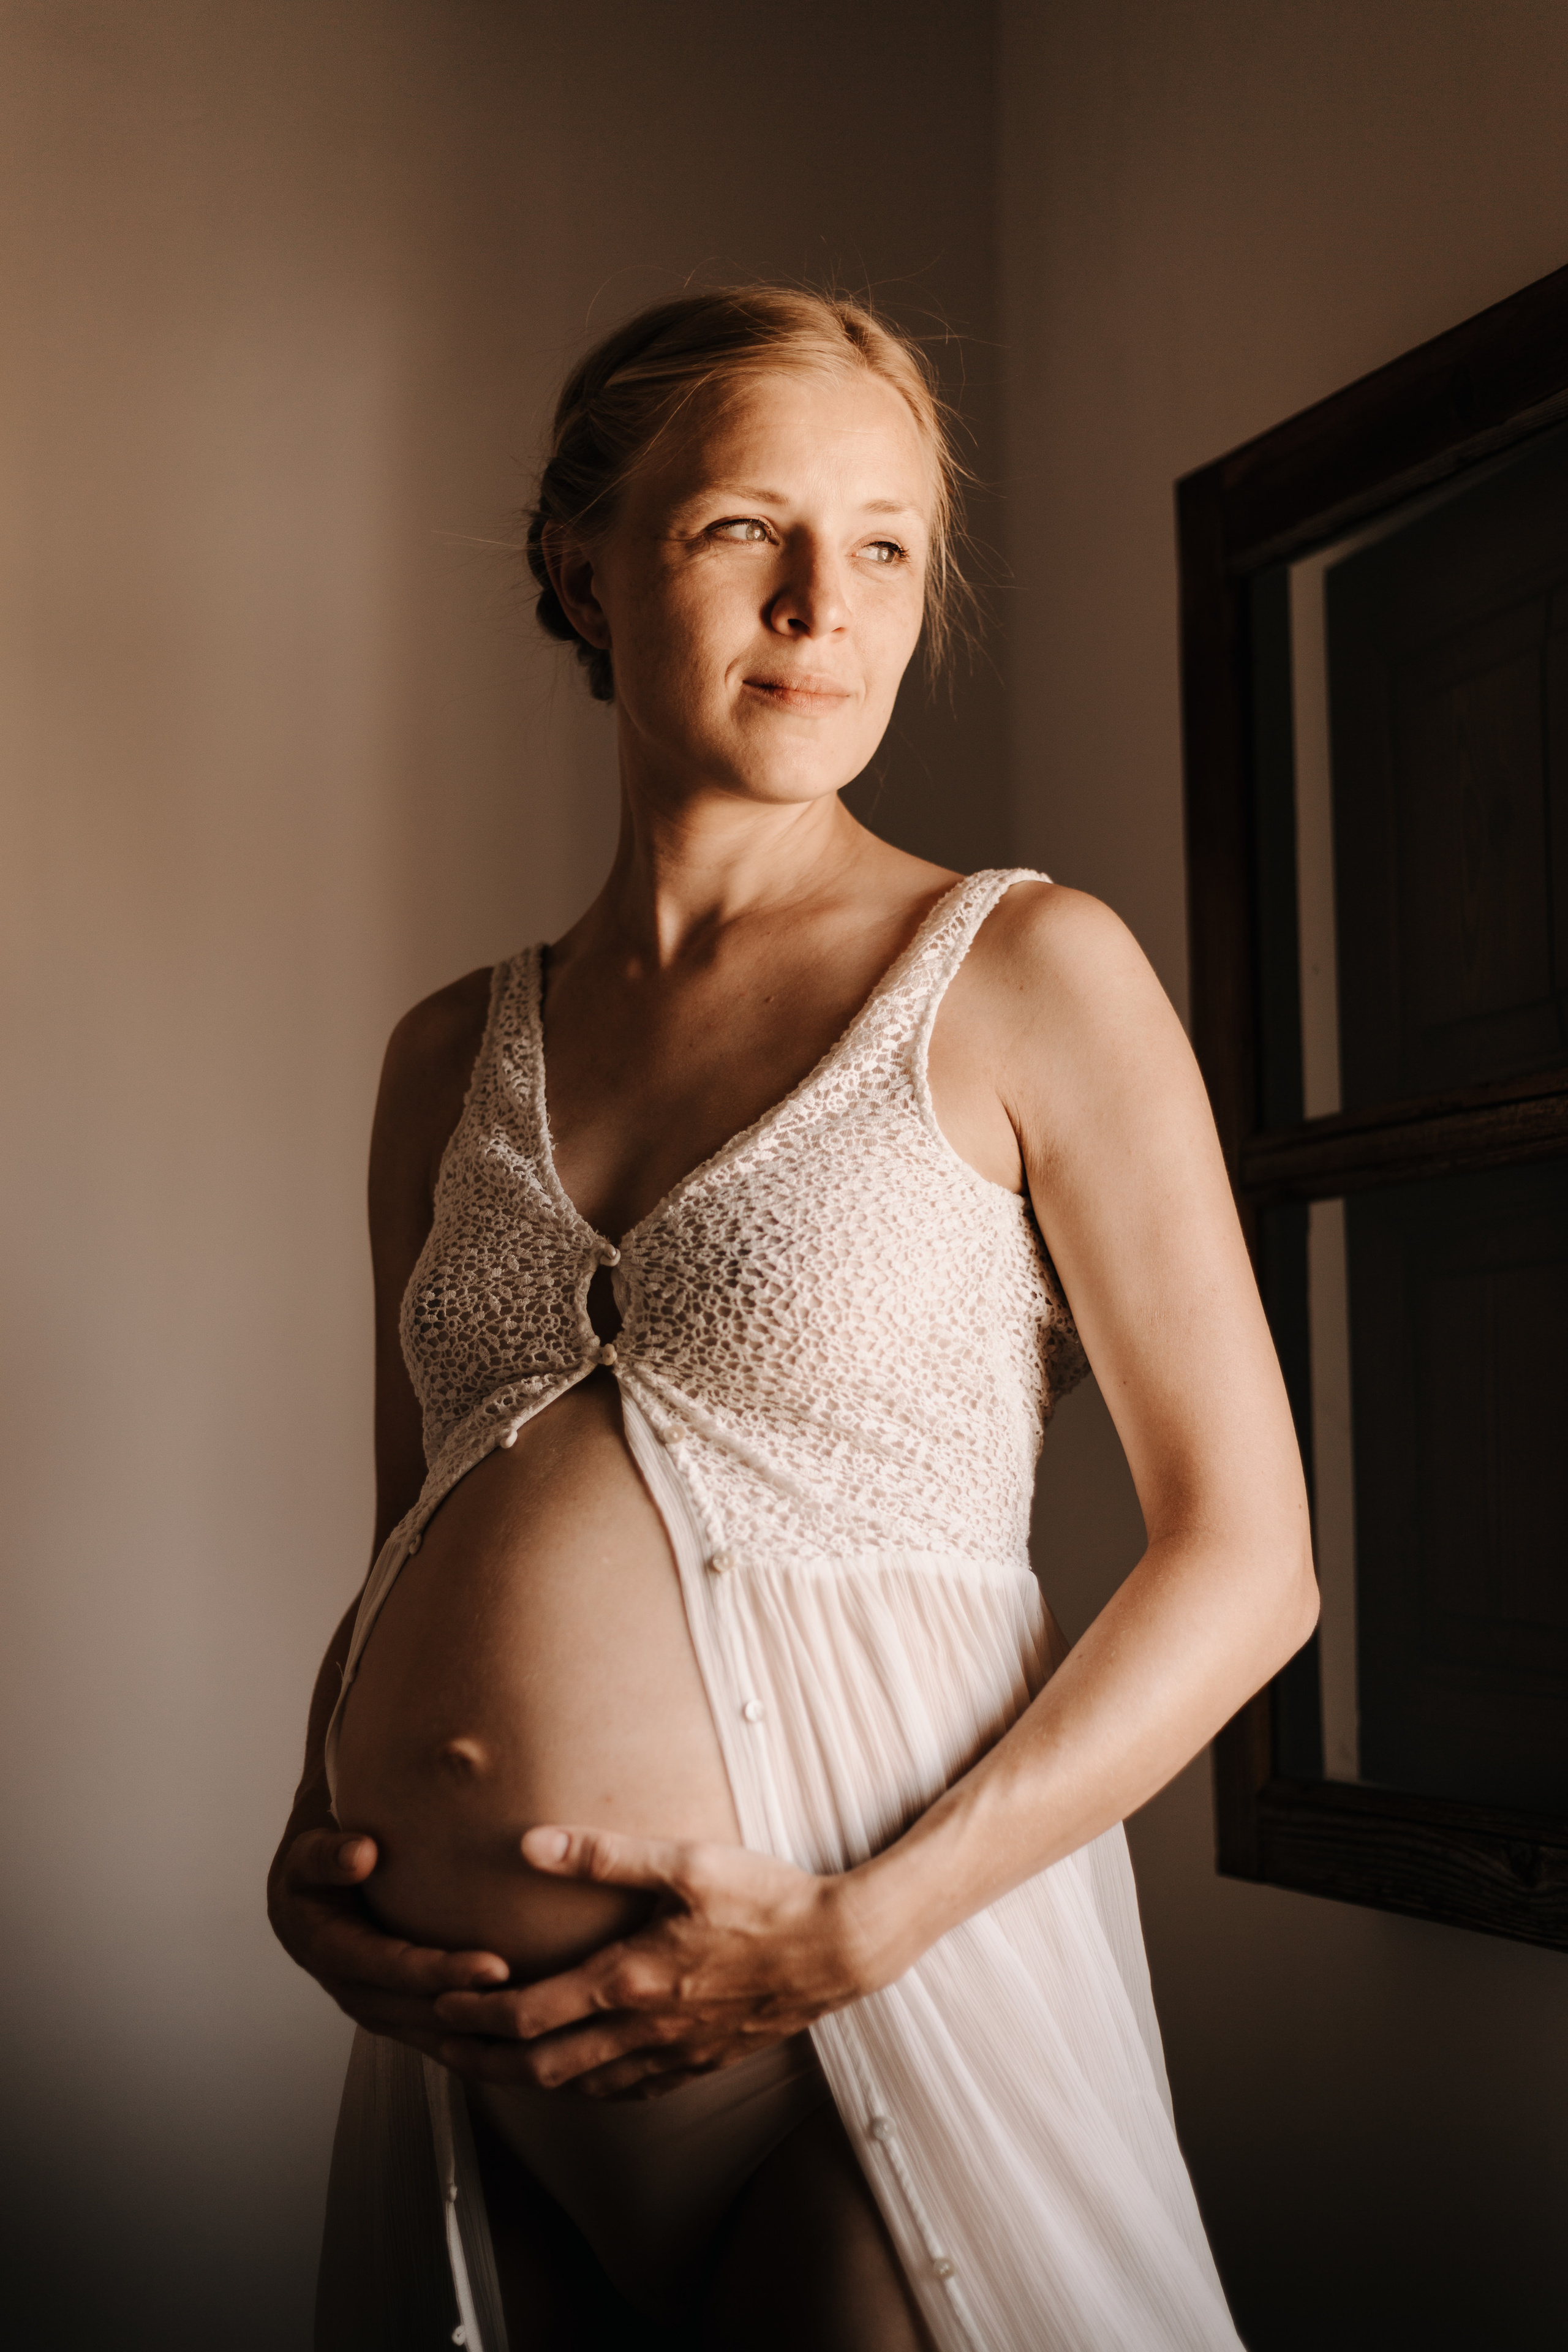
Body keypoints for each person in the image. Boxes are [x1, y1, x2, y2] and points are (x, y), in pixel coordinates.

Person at [268, 285, 1316, 2352]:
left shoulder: (1028, 972)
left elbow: (1251, 1567)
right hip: (476, 2087)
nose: (825, 606)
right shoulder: (443, 1057)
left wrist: (856, 1930)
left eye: (888, 547)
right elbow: (416, 1538)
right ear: (584, 570)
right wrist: (315, 1837)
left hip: (868, 2041)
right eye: (746, 527)